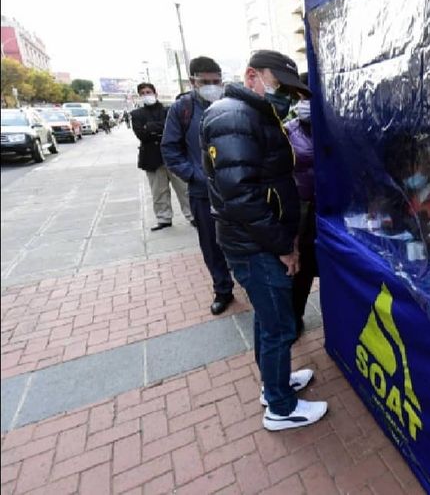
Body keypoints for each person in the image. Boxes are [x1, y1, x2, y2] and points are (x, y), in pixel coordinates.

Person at [201, 50, 327, 431]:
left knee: (268, 319)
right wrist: (283, 246)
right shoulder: (234, 116)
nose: (285, 96)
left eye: (290, 90)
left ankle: (274, 384)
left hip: (259, 240)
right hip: (255, 244)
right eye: (279, 85)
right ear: (251, 76)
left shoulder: (255, 114)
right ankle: (281, 408)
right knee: (280, 326)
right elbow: (242, 197)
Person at [162, 57, 235, 316]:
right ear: (192, 81)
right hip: (203, 192)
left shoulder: (232, 103)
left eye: (217, 81)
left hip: (236, 189)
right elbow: (170, 150)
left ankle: (247, 280)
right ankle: (223, 289)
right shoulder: (182, 109)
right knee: (211, 244)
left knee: (243, 239)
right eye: (206, 82)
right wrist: (195, 175)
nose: (212, 87)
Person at [131, 83, 193, 231]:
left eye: (148, 92)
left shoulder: (169, 110)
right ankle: (164, 218)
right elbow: (142, 134)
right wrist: (160, 128)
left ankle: (192, 215)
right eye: (143, 93)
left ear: (155, 93)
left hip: (173, 156)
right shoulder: (136, 114)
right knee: (158, 191)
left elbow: (174, 129)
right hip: (152, 158)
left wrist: (150, 127)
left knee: (184, 189)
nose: (146, 95)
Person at [285, 79, 317, 337]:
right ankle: (295, 316)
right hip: (303, 207)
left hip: (332, 207)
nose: (306, 103)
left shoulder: (334, 127)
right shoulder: (288, 131)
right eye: (302, 97)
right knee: (302, 267)